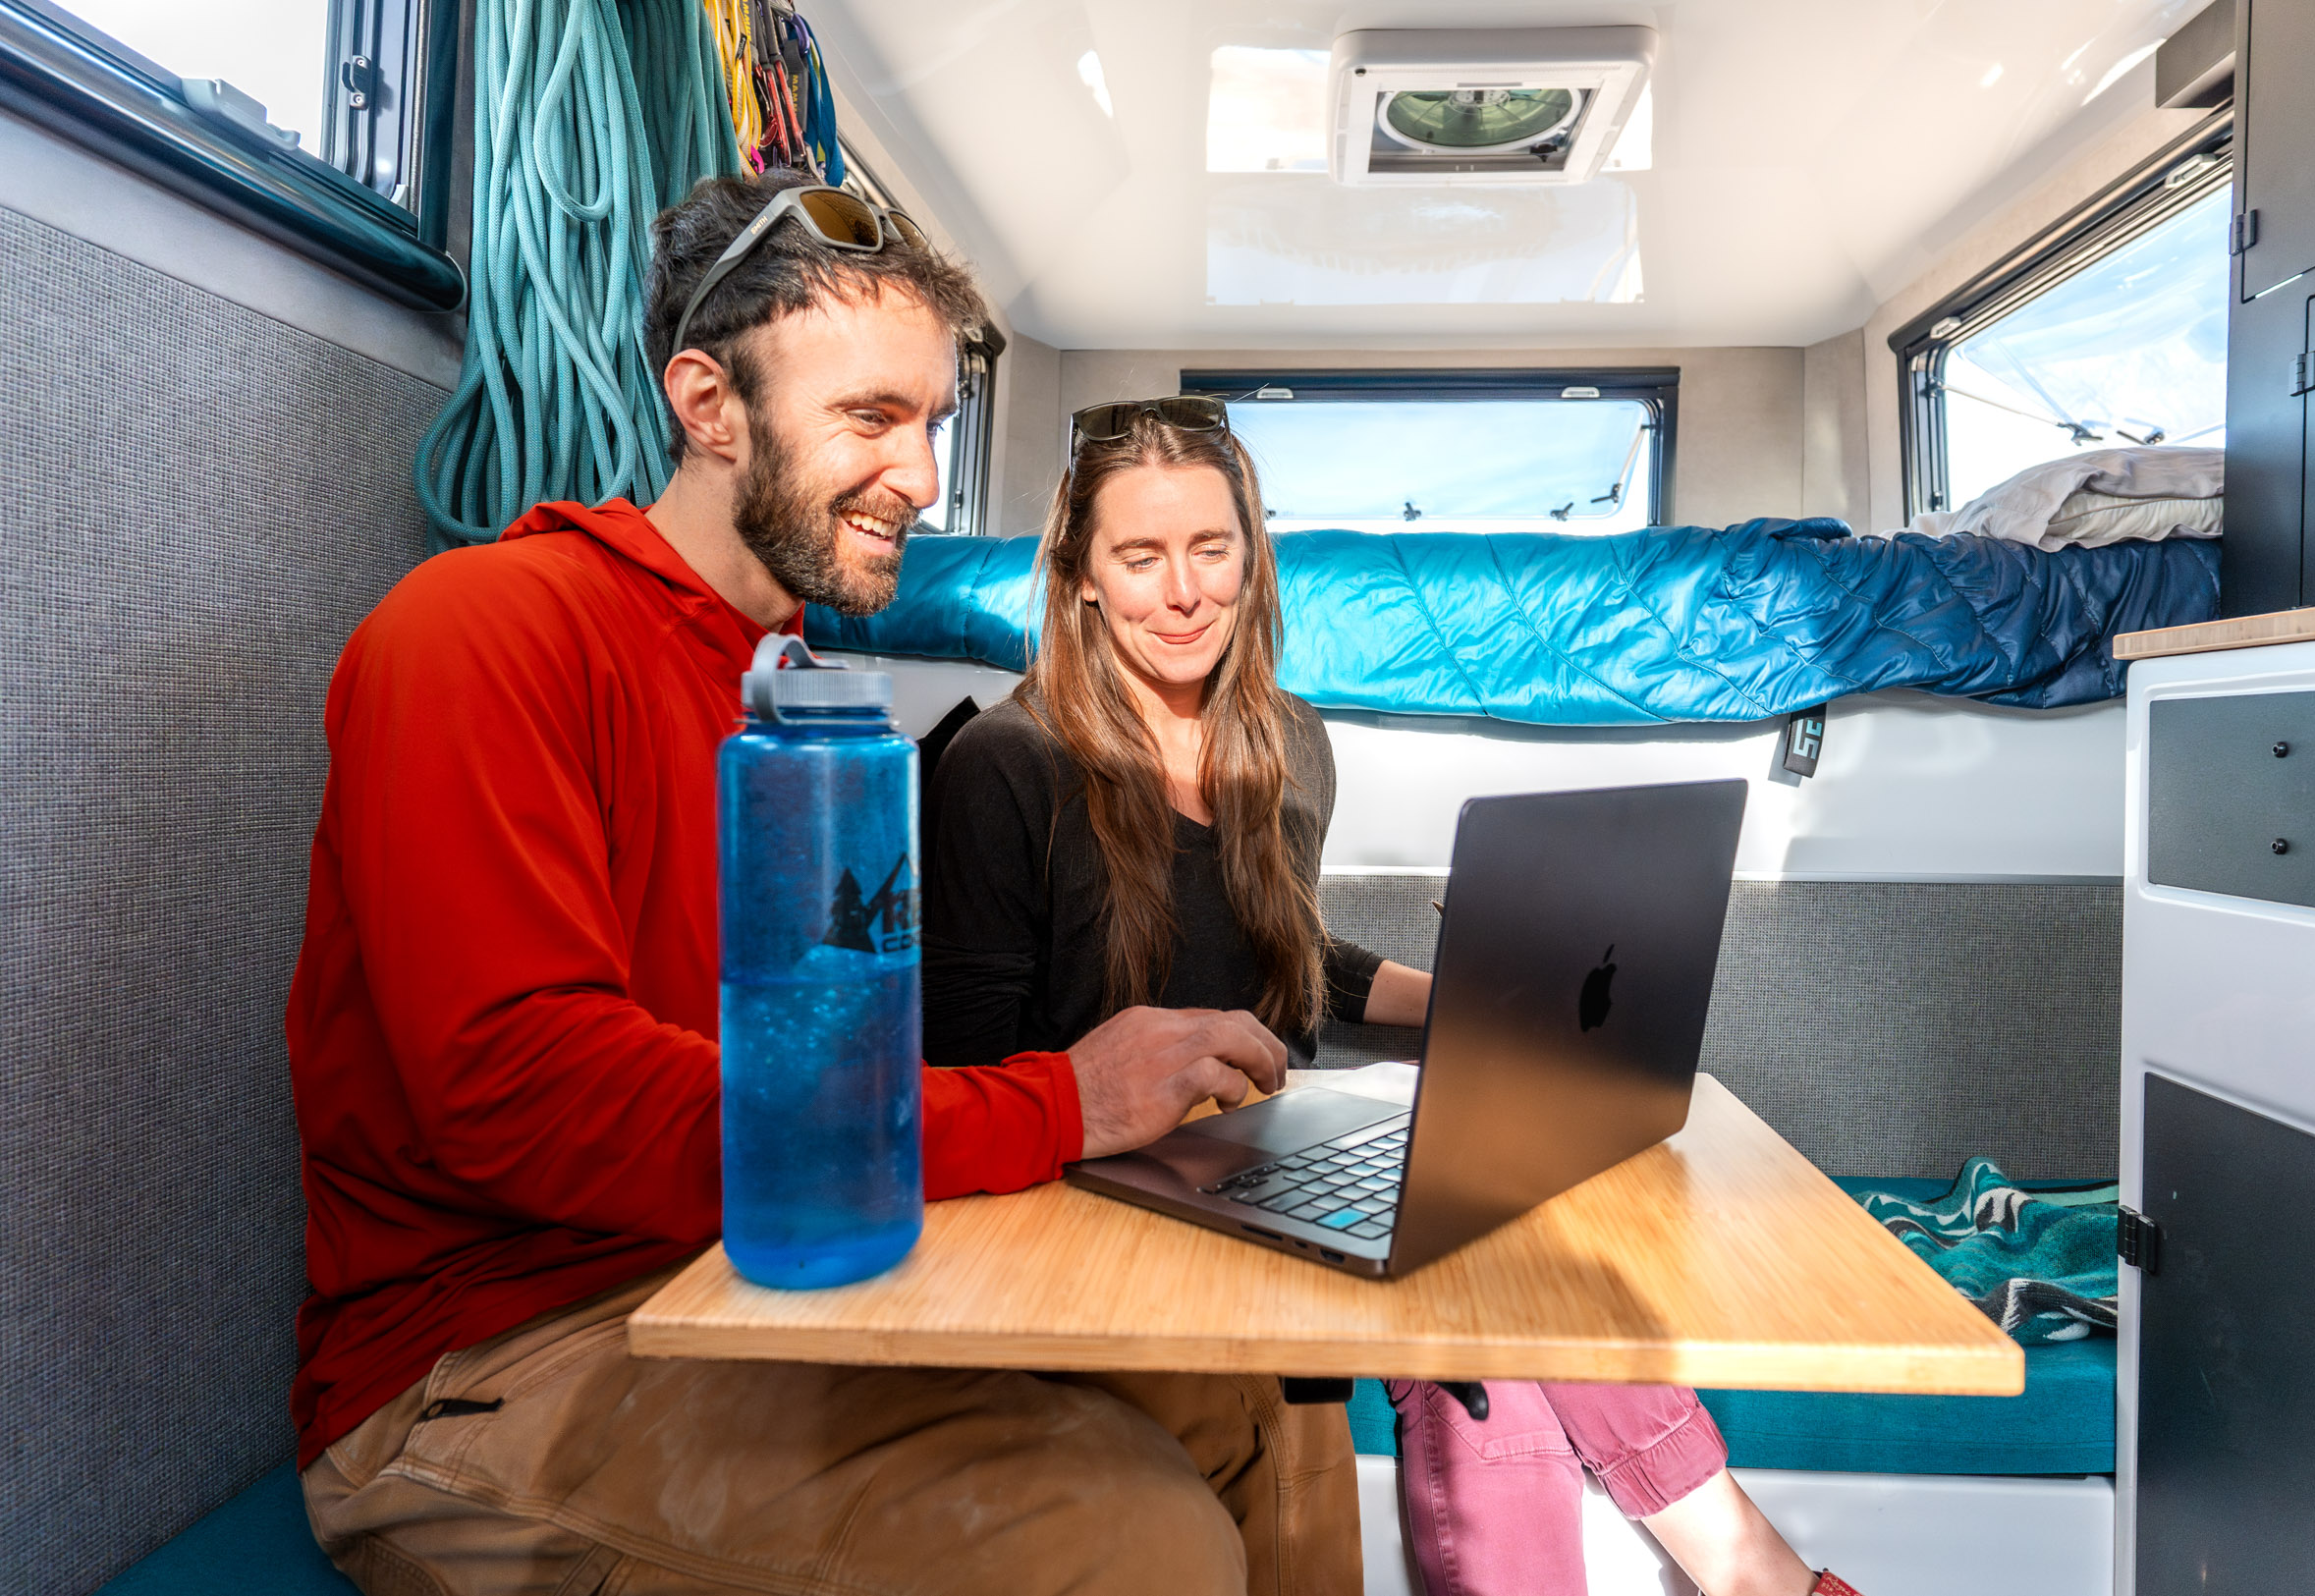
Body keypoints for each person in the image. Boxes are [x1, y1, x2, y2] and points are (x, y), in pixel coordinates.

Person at [284, 173, 1358, 1596]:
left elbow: (849, 1049)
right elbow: (525, 1094)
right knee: (1131, 1542)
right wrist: (1060, 1100)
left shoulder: (798, 702)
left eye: (932, 423)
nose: (922, 478)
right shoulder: (482, 631)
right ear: (708, 404)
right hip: (495, 1359)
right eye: (870, 416)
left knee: (1255, 1385)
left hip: (760, 1270)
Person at [922, 397, 1861, 1596]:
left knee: (1509, 1259)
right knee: (1496, 1300)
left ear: (1252, 557)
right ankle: (1759, 1572)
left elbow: (1285, 955)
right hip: (1096, 1202)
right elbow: (959, 1071)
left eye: (1211, 548)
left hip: (1259, 1160)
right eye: (1140, 555)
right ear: (1082, 577)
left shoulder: (1289, 741)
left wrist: (1487, 996)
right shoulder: (1006, 764)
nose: (1184, 592)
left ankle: (1754, 1573)